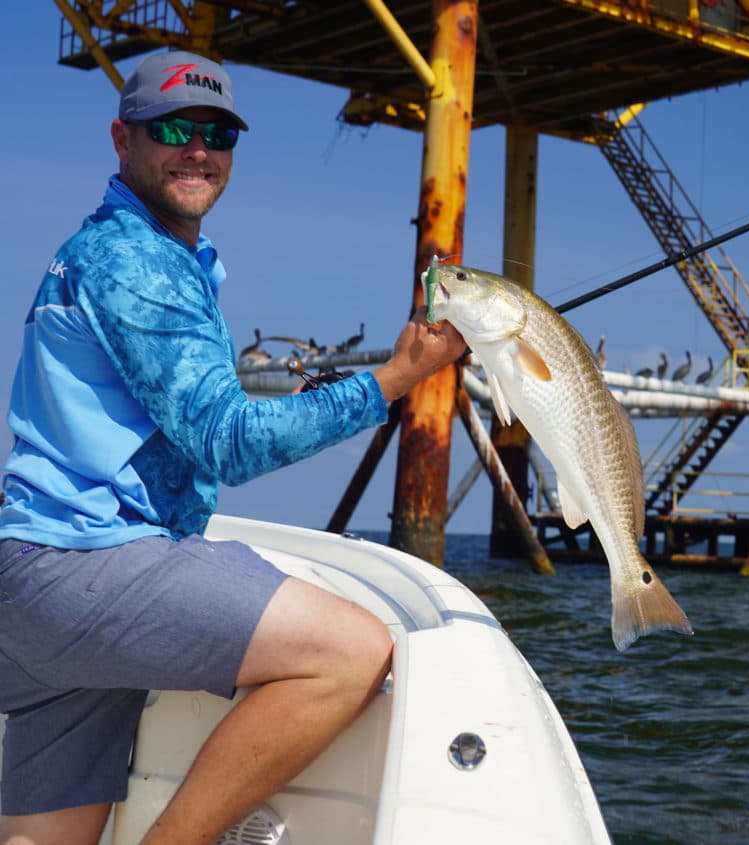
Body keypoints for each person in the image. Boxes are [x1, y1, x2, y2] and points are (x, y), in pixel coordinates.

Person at [0, 50, 465, 845]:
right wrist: (393, 379)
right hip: (91, 566)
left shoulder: (111, 252)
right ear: (123, 139)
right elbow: (228, 442)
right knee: (351, 651)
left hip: (33, 580)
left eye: (219, 132)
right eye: (173, 128)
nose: (199, 149)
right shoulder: (137, 261)